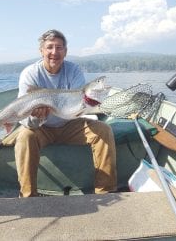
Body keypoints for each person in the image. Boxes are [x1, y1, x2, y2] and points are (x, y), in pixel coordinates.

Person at [15, 29, 117, 197]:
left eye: (59, 47)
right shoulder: (30, 74)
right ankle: (28, 196)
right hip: (42, 127)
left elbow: (78, 106)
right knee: (24, 137)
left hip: (69, 124)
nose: (54, 52)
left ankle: (105, 191)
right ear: (41, 51)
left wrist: (91, 103)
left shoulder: (74, 70)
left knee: (104, 130)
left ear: (66, 51)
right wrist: (36, 116)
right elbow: (26, 120)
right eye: (49, 47)